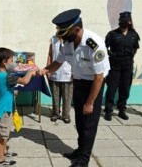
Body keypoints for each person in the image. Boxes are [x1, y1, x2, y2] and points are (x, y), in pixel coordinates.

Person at [39, 9, 110, 167]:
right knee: (79, 121)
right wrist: (44, 70)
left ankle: (84, 160)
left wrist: (90, 102)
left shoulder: (94, 44)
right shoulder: (69, 43)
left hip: (93, 86)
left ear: (76, 29)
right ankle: (80, 150)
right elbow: (57, 63)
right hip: (78, 83)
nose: (62, 37)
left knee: (89, 125)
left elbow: (99, 77)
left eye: (64, 32)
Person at [0, 47, 36, 166]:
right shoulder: (7, 76)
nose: (13, 63)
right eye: (11, 61)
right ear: (4, 62)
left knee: (5, 132)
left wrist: (10, 91)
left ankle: (4, 152)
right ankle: (0, 160)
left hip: (2, 109)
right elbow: (25, 81)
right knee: (2, 137)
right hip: (3, 111)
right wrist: (31, 71)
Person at [104, 11, 140, 121]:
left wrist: (130, 56)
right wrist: (111, 56)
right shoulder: (112, 34)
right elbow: (104, 47)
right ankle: (108, 111)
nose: (124, 23)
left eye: (126, 21)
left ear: (129, 22)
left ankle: (121, 110)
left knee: (125, 89)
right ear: (119, 22)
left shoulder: (134, 35)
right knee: (112, 88)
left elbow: (135, 48)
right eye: (122, 21)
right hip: (114, 66)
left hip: (127, 66)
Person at [46, 35, 73, 123]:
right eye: (58, 27)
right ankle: (55, 113)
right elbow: (50, 54)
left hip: (68, 73)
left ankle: (66, 115)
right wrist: (48, 70)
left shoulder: (71, 40)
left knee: (67, 97)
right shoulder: (53, 39)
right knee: (55, 96)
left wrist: (74, 72)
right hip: (55, 73)